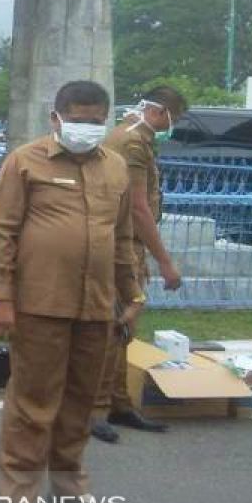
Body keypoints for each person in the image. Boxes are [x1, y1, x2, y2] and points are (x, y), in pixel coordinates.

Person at [0, 81, 144, 503]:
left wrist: (133, 296)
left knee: (79, 407)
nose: (86, 128)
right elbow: (3, 233)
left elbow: (124, 236)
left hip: (96, 308)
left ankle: (68, 489)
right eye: (77, 120)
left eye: (95, 122)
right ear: (55, 118)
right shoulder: (25, 162)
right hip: (39, 306)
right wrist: (2, 298)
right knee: (31, 407)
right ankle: (17, 494)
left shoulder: (115, 167)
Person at [90, 85, 187, 443]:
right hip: (123, 244)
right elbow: (138, 206)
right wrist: (165, 261)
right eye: (173, 117)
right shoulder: (132, 142)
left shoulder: (134, 136)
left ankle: (118, 403)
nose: (170, 125)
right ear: (160, 112)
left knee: (125, 330)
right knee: (116, 326)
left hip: (128, 243)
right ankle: (95, 408)